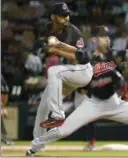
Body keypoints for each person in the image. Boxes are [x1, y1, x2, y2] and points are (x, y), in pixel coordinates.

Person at [26, 26, 128, 157]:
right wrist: (52, 48)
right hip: (92, 104)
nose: (106, 38)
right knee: (63, 131)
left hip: (114, 103)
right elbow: (71, 55)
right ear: (95, 39)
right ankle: (34, 147)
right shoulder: (86, 58)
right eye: (103, 36)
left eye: (107, 36)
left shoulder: (116, 54)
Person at [32, 2, 93, 141]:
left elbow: (80, 57)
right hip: (67, 74)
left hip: (82, 70)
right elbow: (41, 44)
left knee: (54, 71)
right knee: (43, 106)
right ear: (53, 17)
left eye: (68, 15)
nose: (67, 18)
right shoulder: (47, 29)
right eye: (63, 15)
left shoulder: (74, 32)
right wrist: (42, 45)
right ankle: (37, 144)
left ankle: (58, 115)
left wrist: (56, 49)